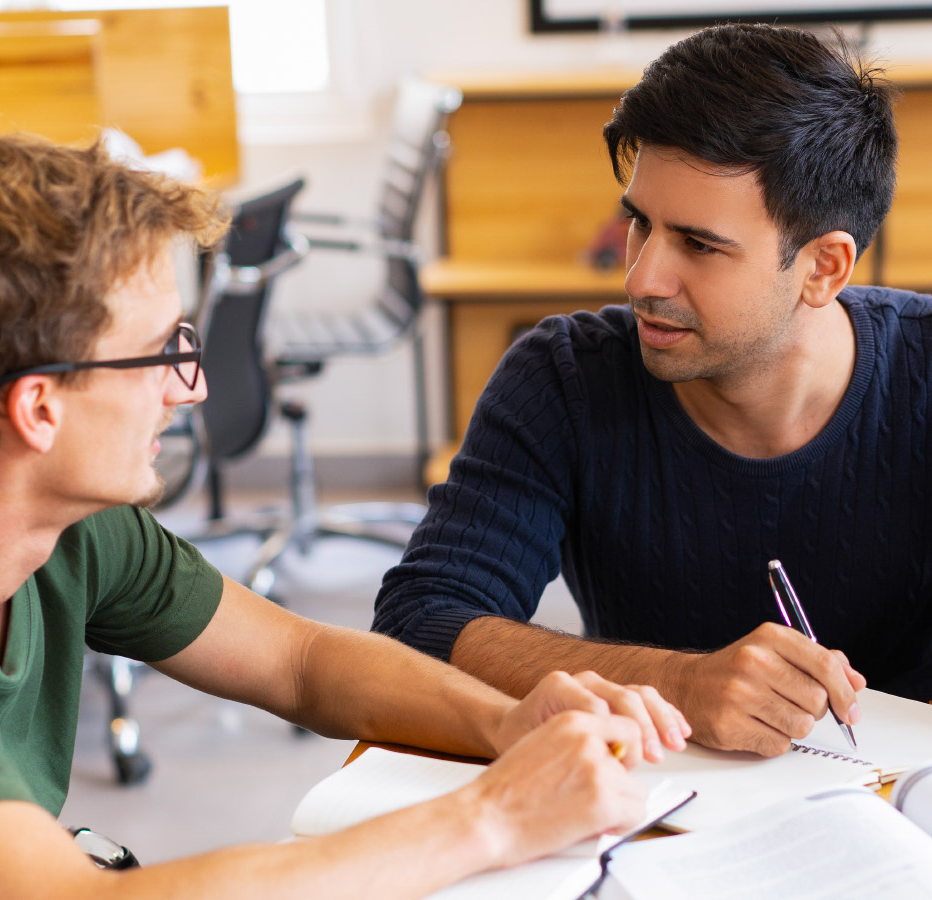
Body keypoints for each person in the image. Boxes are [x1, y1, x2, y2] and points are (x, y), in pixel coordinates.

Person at [0, 134, 689, 899]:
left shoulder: (59, 517)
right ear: (37, 407)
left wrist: (510, 723)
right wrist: (493, 817)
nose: (189, 388)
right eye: (160, 353)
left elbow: (301, 661)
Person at [373, 22, 921, 759]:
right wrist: (677, 682)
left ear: (824, 267)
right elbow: (418, 624)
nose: (642, 280)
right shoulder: (563, 378)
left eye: (699, 245)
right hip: (657, 823)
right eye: (639, 225)